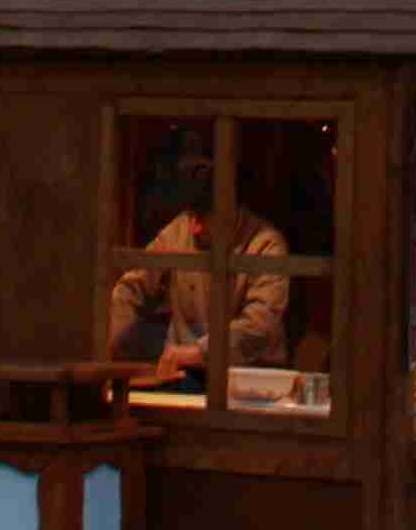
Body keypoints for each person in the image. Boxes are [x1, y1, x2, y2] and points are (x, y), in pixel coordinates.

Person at [108, 144, 290, 375]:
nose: (193, 227)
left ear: (229, 211)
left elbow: (258, 326)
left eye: (203, 217)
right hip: (187, 372)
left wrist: (196, 352)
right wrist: (106, 342)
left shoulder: (266, 245)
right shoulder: (179, 231)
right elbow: (133, 288)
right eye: (191, 215)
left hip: (250, 374)